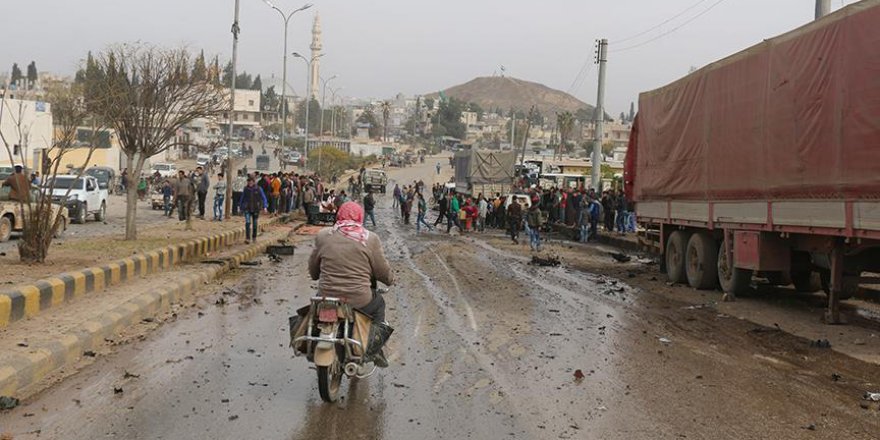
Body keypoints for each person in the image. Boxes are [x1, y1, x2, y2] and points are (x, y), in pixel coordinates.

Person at [308, 202, 394, 367]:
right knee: (379, 304)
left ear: (338, 215)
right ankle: (374, 349)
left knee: (315, 309)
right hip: (359, 301)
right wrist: (390, 278)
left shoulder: (324, 235)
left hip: (327, 299)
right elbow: (382, 271)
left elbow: (313, 271)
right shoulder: (370, 239)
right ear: (360, 217)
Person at [239, 176, 268, 244]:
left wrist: (265, 207)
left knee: (255, 224)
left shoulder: (258, 189)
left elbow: (264, 198)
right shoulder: (246, 189)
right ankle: (247, 238)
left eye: (251, 181)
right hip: (247, 208)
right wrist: (240, 207)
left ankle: (254, 237)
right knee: (247, 223)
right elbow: (242, 198)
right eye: (249, 181)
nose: (250, 183)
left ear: (254, 182)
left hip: (256, 208)